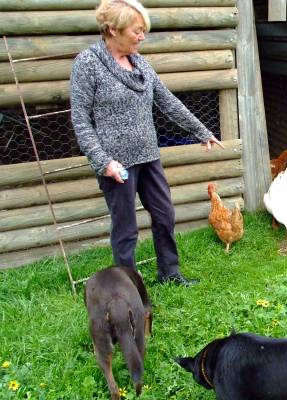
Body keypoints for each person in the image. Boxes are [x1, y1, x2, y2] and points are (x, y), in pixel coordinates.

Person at [70, 0, 224, 285]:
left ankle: (170, 273)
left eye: (144, 30)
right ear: (113, 30)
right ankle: (129, 287)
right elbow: (80, 119)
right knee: (126, 229)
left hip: (149, 156)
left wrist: (201, 131)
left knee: (165, 215)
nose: (142, 37)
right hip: (116, 164)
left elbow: (168, 102)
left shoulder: (140, 63)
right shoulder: (88, 63)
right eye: (137, 31)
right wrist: (103, 162)